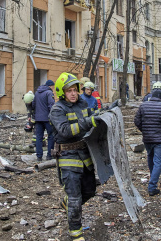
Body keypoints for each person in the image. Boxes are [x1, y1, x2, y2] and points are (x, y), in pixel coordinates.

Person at [49, 72, 102, 241]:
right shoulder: (57, 109)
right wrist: (88, 122)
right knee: (74, 197)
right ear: (61, 93)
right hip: (67, 155)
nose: (73, 93)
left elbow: (94, 114)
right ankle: (76, 233)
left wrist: (105, 111)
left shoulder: (83, 103)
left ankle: (67, 205)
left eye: (75, 89)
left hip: (85, 154)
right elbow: (65, 130)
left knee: (90, 191)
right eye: (69, 91)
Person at [134, 90, 161, 196]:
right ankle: (152, 186)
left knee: (150, 157)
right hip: (160, 139)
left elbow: (137, 121)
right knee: (158, 162)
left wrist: (144, 130)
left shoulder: (143, 106)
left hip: (147, 138)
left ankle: (153, 178)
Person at [33, 80, 55, 161]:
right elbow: (51, 105)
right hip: (47, 119)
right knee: (51, 136)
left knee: (39, 137)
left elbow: (33, 104)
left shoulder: (37, 92)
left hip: (38, 119)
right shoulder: (49, 93)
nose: (53, 88)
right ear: (50, 86)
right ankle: (49, 155)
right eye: (53, 86)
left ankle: (39, 156)